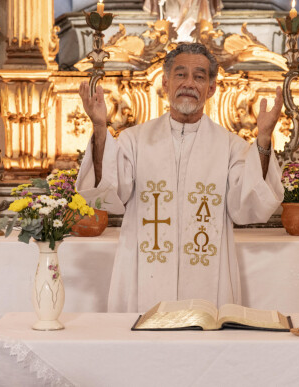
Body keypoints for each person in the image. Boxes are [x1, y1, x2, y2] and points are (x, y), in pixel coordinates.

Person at [76, 43, 284, 313]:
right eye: (180, 74)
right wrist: (100, 129)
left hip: (208, 283)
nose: (189, 83)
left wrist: (264, 139)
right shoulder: (134, 141)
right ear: (165, 83)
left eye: (199, 76)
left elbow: (249, 206)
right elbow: (107, 194)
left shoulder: (230, 146)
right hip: (144, 278)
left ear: (211, 88)